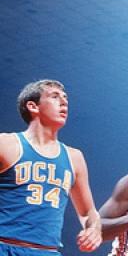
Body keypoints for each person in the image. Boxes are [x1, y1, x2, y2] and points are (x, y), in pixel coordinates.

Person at [0, 80, 102, 255]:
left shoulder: (74, 157)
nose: (64, 102)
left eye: (65, 98)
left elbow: (88, 212)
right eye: (55, 97)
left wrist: (94, 229)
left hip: (47, 251)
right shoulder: (6, 144)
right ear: (33, 106)